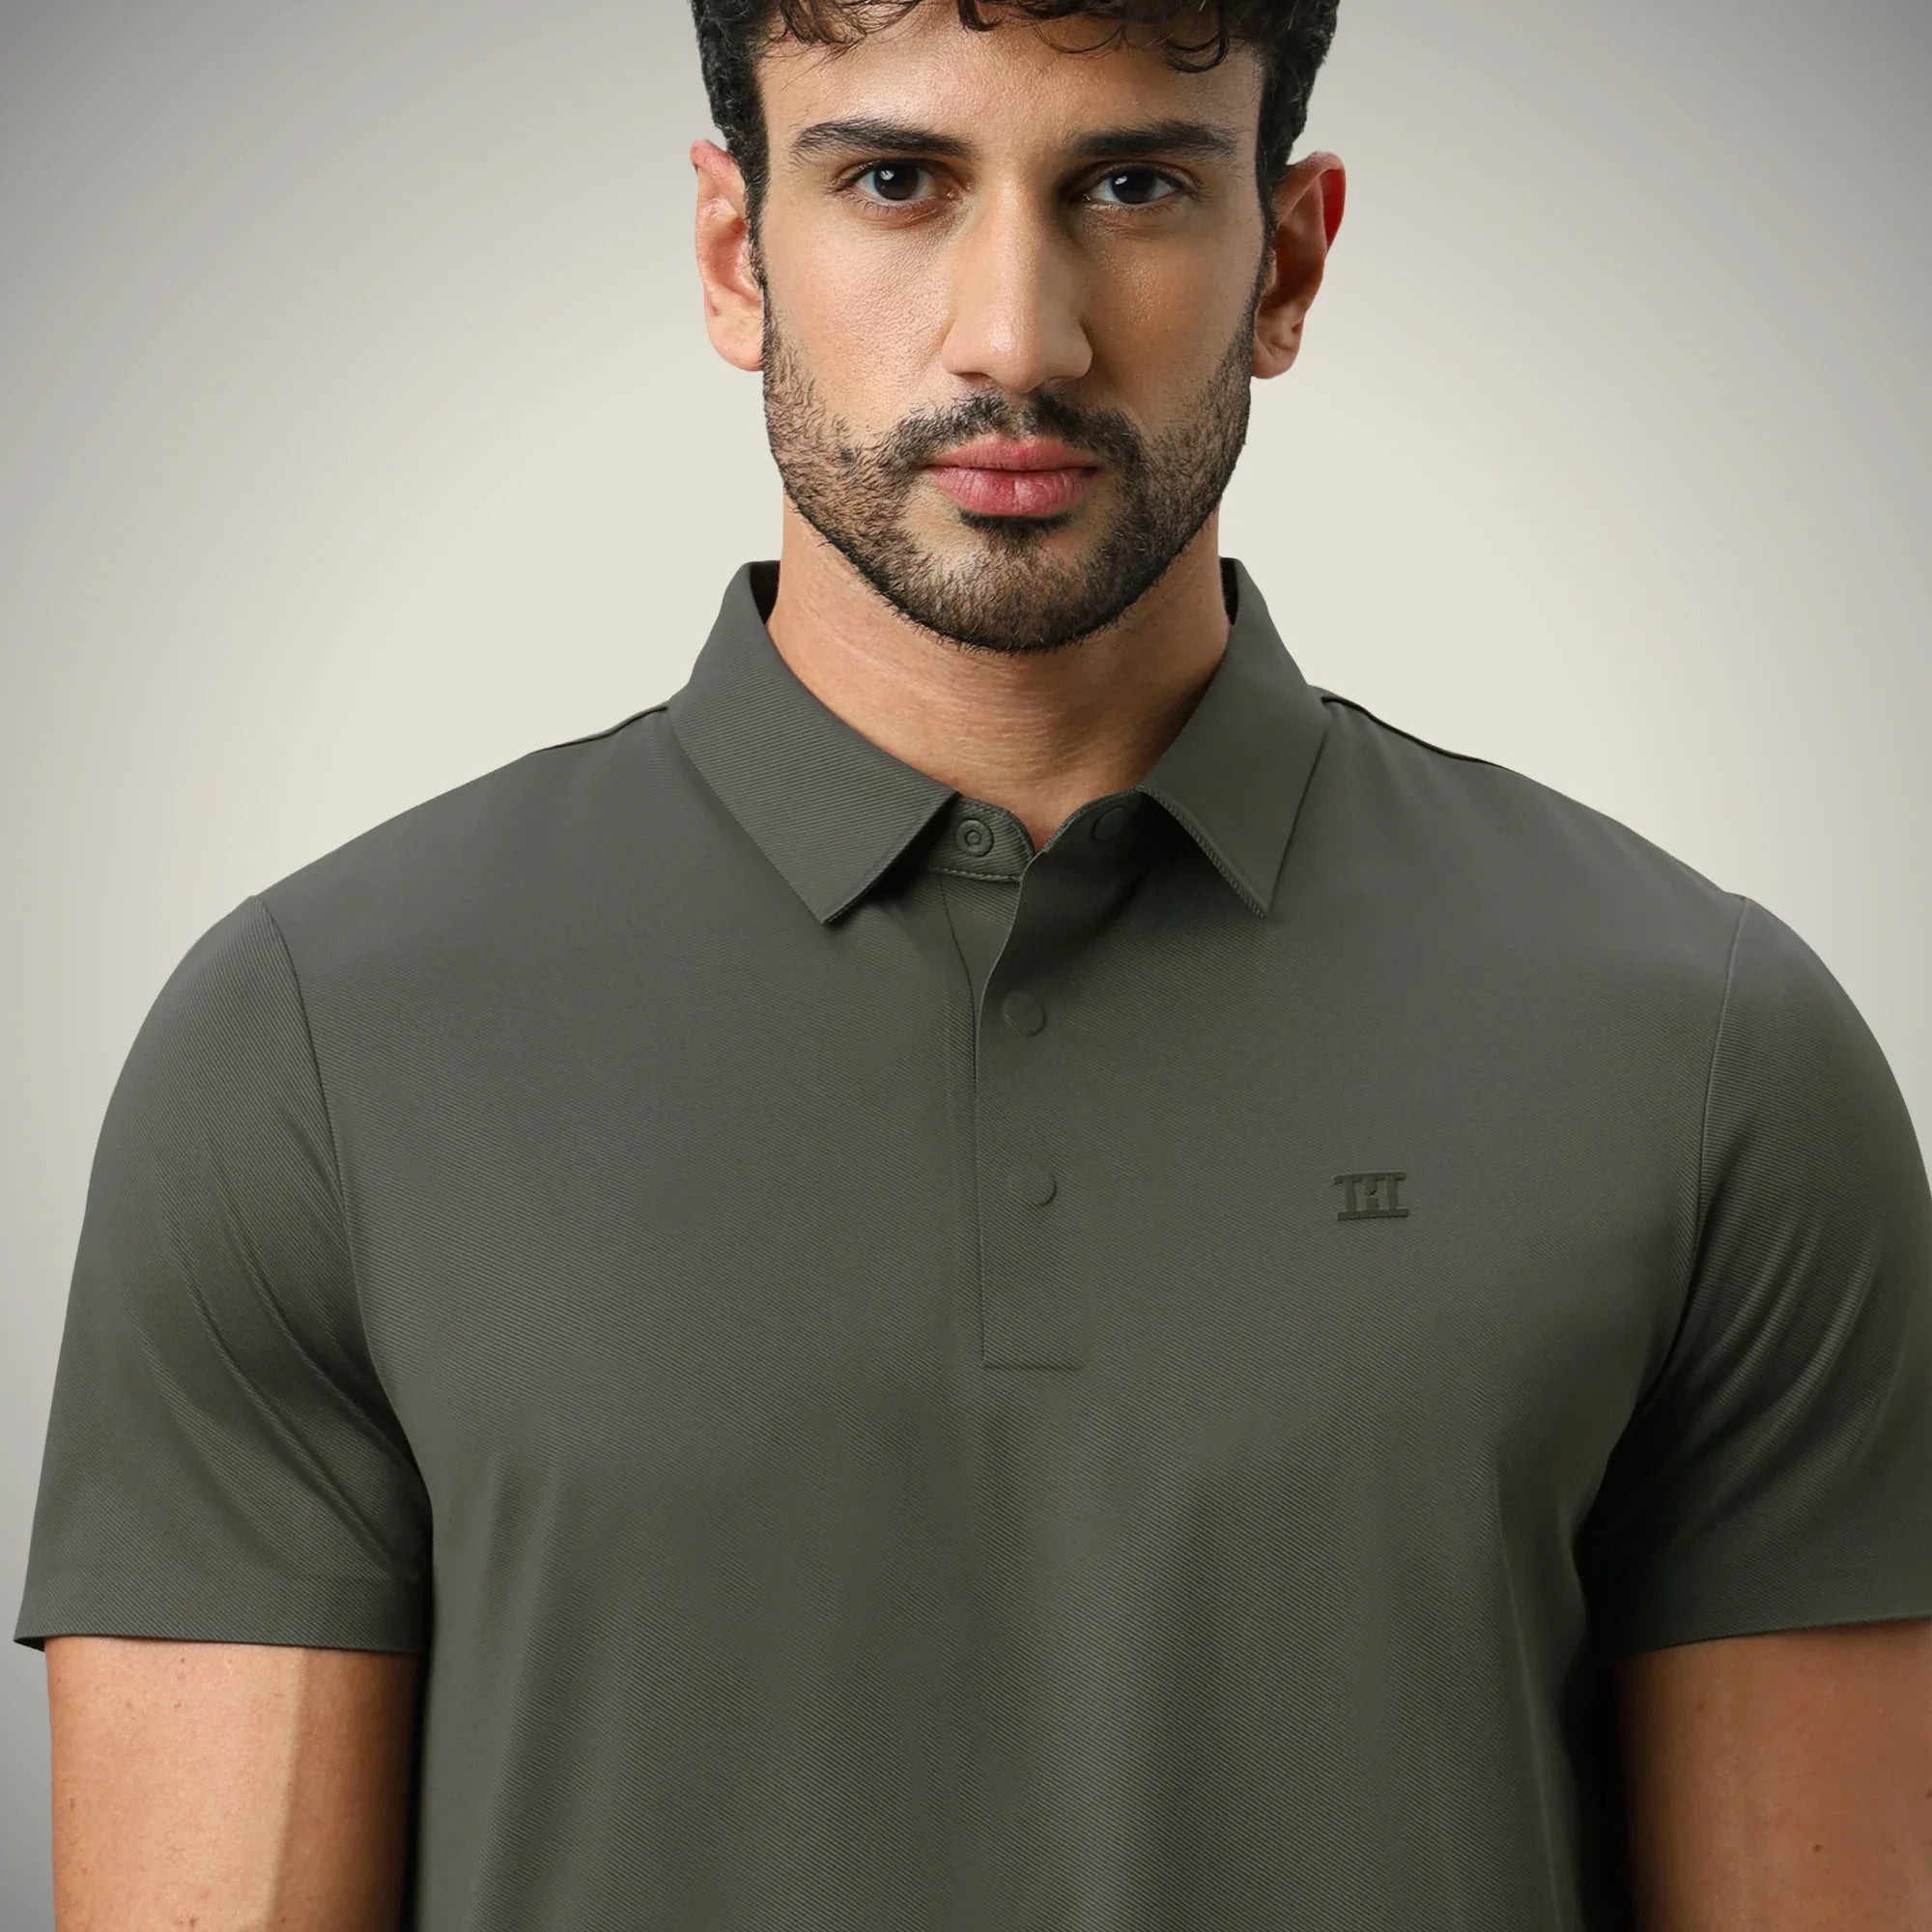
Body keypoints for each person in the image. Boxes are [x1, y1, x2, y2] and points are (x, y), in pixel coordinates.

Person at [16, 2, 1932, 1926]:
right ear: (733, 252)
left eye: (1133, 184)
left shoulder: (1702, 1050)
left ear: (1286, 262)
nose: (1017, 337)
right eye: (894, 180)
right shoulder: (314, 1046)